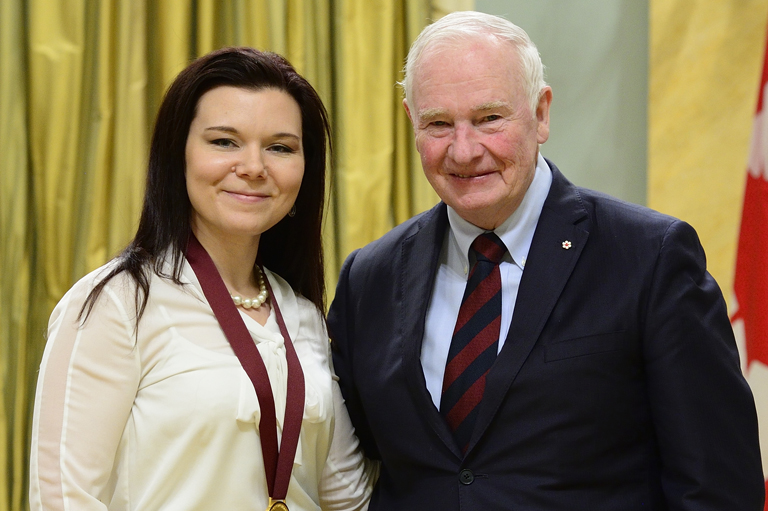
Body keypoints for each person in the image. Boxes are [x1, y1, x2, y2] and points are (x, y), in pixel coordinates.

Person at [327, 11, 764, 510]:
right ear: (411, 121)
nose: (465, 150)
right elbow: (342, 463)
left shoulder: (651, 258)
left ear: (541, 114)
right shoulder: (371, 279)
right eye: (439, 124)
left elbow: (717, 489)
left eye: (490, 118)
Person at [29, 47, 377, 511]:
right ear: (179, 157)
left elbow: (347, 498)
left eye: (280, 147)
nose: (254, 167)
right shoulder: (115, 304)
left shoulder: (303, 314)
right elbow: (64, 500)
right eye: (224, 142)